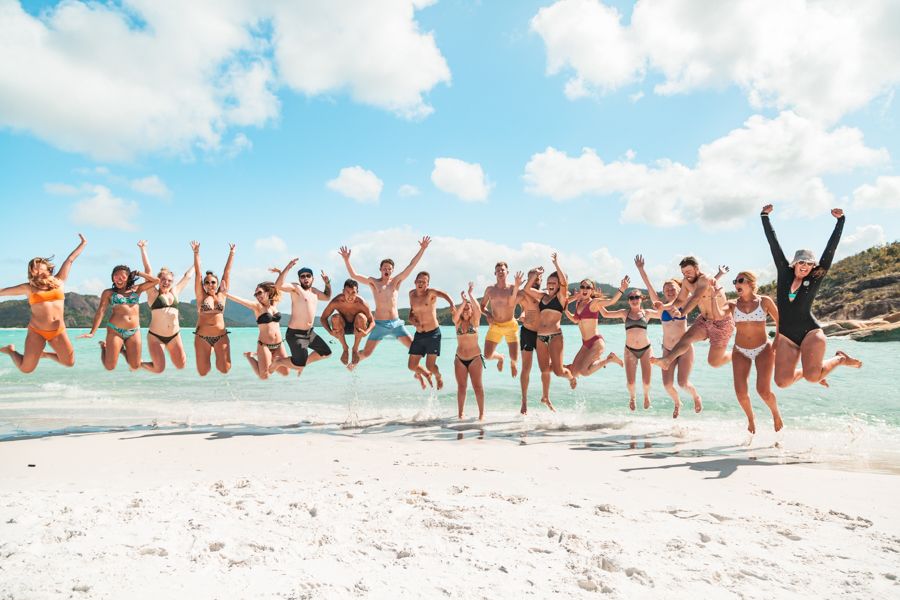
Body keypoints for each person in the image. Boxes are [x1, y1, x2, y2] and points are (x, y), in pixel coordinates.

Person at [761, 204, 861, 387]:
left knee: (813, 378)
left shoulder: (814, 278)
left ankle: (839, 359)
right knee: (782, 382)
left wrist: (841, 221)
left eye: (809, 264)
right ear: (794, 263)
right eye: (802, 262)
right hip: (786, 335)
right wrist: (764, 217)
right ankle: (814, 369)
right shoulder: (785, 273)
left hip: (810, 332)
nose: (806, 266)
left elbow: (830, 251)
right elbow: (773, 244)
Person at [0, 234, 87, 372]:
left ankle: (44, 354)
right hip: (37, 331)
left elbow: (70, 260)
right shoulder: (28, 287)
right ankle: (10, 350)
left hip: (58, 331)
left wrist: (83, 243)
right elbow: (2, 291)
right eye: (34, 268)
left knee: (69, 362)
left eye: (40, 267)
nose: (37, 270)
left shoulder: (59, 281)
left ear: (48, 268)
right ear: (31, 272)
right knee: (26, 369)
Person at [338, 236, 430, 364]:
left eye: (389, 268)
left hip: (396, 324)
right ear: (380, 270)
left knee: (416, 349)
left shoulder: (396, 282)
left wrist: (422, 249)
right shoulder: (374, 283)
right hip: (379, 324)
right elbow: (354, 275)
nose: (387, 270)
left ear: (392, 270)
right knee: (366, 353)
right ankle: (351, 366)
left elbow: (411, 265)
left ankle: (420, 372)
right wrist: (346, 260)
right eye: (384, 268)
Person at [634, 255, 703, 414]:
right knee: (667, 385)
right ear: (664, 293)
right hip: (667, 349)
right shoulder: (661, 308)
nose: (670, 291)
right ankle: (677, 402)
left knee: (683, 383)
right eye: (667, 289)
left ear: (680, 290)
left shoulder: (685, 303)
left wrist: (717, 277)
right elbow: (649, 286)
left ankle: (696, 396)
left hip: (684, 349)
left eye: (673, 288)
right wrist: (641, 269)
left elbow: (701, 290)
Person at [722, 271, 783, 434]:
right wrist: (714, 296)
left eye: (740, 280)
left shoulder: (765, 301)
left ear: (750, 283)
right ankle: (750, 418)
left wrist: (777, 340)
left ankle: (775, 413)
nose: (736, 284)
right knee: (740, 393)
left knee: (763, 390)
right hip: (740, 351)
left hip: (763, 348)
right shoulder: (732, 304)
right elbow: (718, 313)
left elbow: (780, 321)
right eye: (735, 281)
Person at [650, 258, 733, 371]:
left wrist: (682, 313)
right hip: (704, 320)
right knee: (686, 338)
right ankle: (667, 361)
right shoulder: (686, 282)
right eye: (683, 273)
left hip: (722, 322)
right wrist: (664, 307)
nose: (686, 275)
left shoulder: (705, 279)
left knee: (714, 362)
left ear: (696, 268)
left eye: (688, 271)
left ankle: (737, 353)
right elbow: (680, 300)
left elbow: (696, 297)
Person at [520, 254, 577, 411]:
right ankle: (545, 396)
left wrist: (556, 263)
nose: (551, 285)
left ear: (558, 285)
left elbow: (564, 282)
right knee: (544, 370)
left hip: (555, 336)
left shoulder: (560, 297)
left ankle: (571, 376)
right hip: (540, 337)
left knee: (558, 372)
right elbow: (526, 289)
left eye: (554, 283)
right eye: (549, 282)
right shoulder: (543, 296)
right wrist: (536, 275)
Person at [80, 265, 160, 371]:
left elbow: (156, 281)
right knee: (110, 367)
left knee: (135, 366)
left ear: (128, 277)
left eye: (123, 276)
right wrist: (92, 332)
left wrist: (138, 273)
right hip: (115, 331)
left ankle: (122, 350)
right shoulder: (109, 293)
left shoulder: (136, 289)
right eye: (116, 276)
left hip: (134, 331)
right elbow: (101, 311)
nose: (119, 278)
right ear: (112, 278)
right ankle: (104, 347)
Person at [600, 285, 665, 412]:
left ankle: (646, 395)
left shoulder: (647, 313)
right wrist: (595, 301)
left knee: (646, 382)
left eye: (637, 297)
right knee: (630, 383)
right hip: (630, 350)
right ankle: (632, 397)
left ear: (642, 299)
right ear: (629, 300)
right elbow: (605, 314)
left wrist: (661, 306)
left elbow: (665, 315)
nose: (634, 299)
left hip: (646, 349)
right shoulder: (625, 313)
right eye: (631, 298)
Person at [136, 240, 192, 373]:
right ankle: (139, 363)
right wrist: (143, 249)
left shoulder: (175, 292)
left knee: (181, 365)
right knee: (158, 369)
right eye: (163, 280)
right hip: (156, 336)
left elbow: (188, 276)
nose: (166, 282)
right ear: (158, 280)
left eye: (169, 281)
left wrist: (197, 258)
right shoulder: (152, 292)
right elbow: (148, 270)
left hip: (174, 335)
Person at [270, 258, 333, 376]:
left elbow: (327, 297)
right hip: (295, 334)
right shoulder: (296, 288)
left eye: (308, 276)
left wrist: (327, 283)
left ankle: (302, 364)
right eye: (302, 276)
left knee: (326, 353)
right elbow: (278, 285)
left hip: (309, 333)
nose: (305, 278)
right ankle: (279, 362)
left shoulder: (314, 292)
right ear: (299, 279)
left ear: (312, 278)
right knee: (299, 363)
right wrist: (288, 266)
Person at [226, 282, 290, 379]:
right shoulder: (257, 307)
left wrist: (280, 273)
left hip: (279, 344)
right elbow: (240, 300)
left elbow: (279, 286)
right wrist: (224, 293)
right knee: (264, 376)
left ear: (268, 292)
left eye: (259, 293)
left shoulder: (274, 304)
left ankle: (271, 359)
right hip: (264, 345)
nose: (257, 296)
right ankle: (250, 356)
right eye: (256, 294)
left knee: (286, 372)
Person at [564, 277, 626, 377]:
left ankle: (609, 359)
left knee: (584, 372)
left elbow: (611, 301)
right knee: (574, 373)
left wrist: (622, 289)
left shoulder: (594, 303)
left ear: (591, 290)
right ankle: (557, 366)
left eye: (588, 287)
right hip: (585, 344)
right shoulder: (578, 303)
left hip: (596, 342)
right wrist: (566, 311)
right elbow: (576, 320)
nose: (585, 289)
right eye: (582, 287)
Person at [190, 241, 235, 376]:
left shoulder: (222, 295)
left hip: (220, 336)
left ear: (217, 284)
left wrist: (232, 253)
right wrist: (196, 253)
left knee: (225, 369)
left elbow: (227, 272)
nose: (210, 285)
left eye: (213, 282)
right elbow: (198, 274)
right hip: (202, 337)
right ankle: (209, 350)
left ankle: (216, 350)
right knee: (203, 372)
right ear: (204, 285)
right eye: (207, 282)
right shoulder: (201, 296)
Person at [407, 271, 454, 389]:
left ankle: (438, 376)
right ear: (415, 282)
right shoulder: (411, 295)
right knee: (412, 366)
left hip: (433, 334)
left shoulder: (430, 293)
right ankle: (426, 374)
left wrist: (452, 304)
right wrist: (411, 319)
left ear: (427, 284)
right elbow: (411, 311)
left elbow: (444, 294)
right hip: (419, 334)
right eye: (419, 281)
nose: (421, 283)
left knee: (430, 365)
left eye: (424, 282)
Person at [479, 262, 523, 376]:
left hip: (510, 326)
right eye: (498, 270)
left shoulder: (513, 288)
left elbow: (524, 304)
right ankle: (500, 358)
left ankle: (513, 364)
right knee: (487, 356)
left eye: (502, 270)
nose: (500, 272)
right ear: (495, 273)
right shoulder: (489, 290)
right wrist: (488, 314)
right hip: (495, 326)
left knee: (514, 357)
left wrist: (523, 314)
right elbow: (482, 306)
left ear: (507, 272)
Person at [320, 279, 375, 367]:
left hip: (357, 326)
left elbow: (372, 322)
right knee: (335, 317)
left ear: (357, 292)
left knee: (361, 317)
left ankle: (355, 349)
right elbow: (323, 318)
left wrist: (366, 332)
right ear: (343, 292)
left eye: (353, 292)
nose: (350, 296)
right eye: (347, 292)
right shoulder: (336, 301)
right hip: (342, 326)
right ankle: (345, 348)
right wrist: (330, 332)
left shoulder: (362, 303)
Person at [451, 283, 486, 420]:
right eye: (464, 308)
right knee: (461, 387)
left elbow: (477, 309)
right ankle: (460, 414)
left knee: (477, 387)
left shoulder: (475, 321)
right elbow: (455, 316)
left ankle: (481, 414)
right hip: (459, 359)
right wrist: (464, 302)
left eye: (468, 308)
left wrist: (471, 296)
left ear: (471, 311)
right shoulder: (457, 323)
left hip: (475, 358)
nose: (466, 310)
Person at [516, 268, 542, 415]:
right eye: (533, 276)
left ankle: (545, 396)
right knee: (526, 368)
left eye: (538, 277)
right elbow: (521, 305)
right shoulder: (523, 293)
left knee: (547, 366)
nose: (536, 279)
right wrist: (522, 314)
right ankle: (524, 401)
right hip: (527, 332)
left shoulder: (543, 294)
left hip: (542, 333)